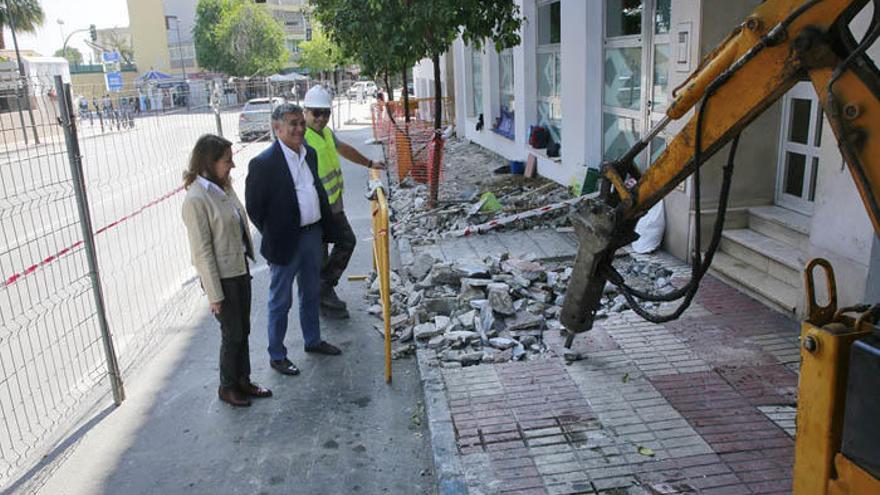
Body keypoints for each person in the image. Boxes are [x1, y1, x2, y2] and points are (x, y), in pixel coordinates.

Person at [245, 103, 342, 377]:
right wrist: (277, 233)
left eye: (301, 122)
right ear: (277, 128)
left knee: (311, 293)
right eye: (293, 123)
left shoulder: (308, 153)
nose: (300, 128)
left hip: (312, 236)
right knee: (280, 300)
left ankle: (313, 340)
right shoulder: (263, 163)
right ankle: (277, 355)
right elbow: (255, 208)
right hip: (285, 242)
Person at [181, 134, 272, 408]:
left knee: (242, 329)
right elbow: (202, 252)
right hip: (222, 278)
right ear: (209, 162)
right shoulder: (197, 199)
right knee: (231, 334)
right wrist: (214, 294)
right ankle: (227, 386)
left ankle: (243, 379)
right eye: (226, 161)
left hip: (238, 269)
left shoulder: (223, 188)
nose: (231, 165)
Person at [301, 85, 386, 319]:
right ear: (305, 112)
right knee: (335, 247)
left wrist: (369, 163)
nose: (320, 118)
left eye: (325, 113)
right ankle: (321, 294)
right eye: (315, 113)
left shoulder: (326, 133)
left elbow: (344, 149)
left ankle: (323, 290)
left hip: (333, 206)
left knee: (341, 245)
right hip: (316, 212)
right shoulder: (302, 139)